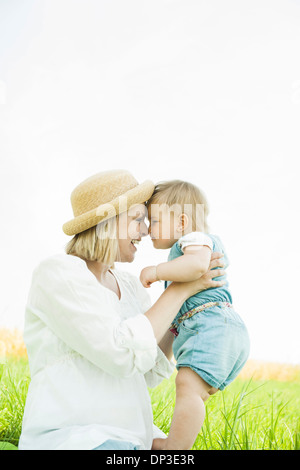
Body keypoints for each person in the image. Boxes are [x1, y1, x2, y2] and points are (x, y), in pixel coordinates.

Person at [18, 170, 226, 450]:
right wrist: (180, 288)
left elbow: (148, 368)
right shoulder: (59, 273)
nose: (145, 230)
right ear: (109, 223)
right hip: (76, 437)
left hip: (131, 437)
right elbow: (121, 353)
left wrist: (194, 307)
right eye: (137, 220)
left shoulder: (129, 286)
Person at [140, 179, 250, 450]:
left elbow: (197, 266)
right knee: (192, 388)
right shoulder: (193, 243)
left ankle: (174, 448)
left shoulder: (195, 240)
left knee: (188, 386)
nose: (148, 229)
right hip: (218, 327)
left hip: (211, 325)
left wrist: (156, 271)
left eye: (154, 221)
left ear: (181, 222)